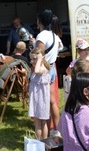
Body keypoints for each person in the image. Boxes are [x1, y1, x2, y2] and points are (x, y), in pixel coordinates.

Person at [33, 9, 62, 137]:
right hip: (51, 68)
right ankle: (58, 129)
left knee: (42, 103)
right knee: (51, 101)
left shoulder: (42, 36)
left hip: (43, 70)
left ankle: (44, 133)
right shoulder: (54, 35)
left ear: (40, 20)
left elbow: (39, 55)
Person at [28, 47, 50, 140]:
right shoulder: (35, 68)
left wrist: (40, 59)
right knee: (38, 122)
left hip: (41, 99)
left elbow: (37, 71)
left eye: (35, 59)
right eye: (31, 59)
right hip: (36, 98)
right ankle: (40, 142)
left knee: (41, 122)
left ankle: (42, 141)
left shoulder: (42, 68)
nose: (32, 61)